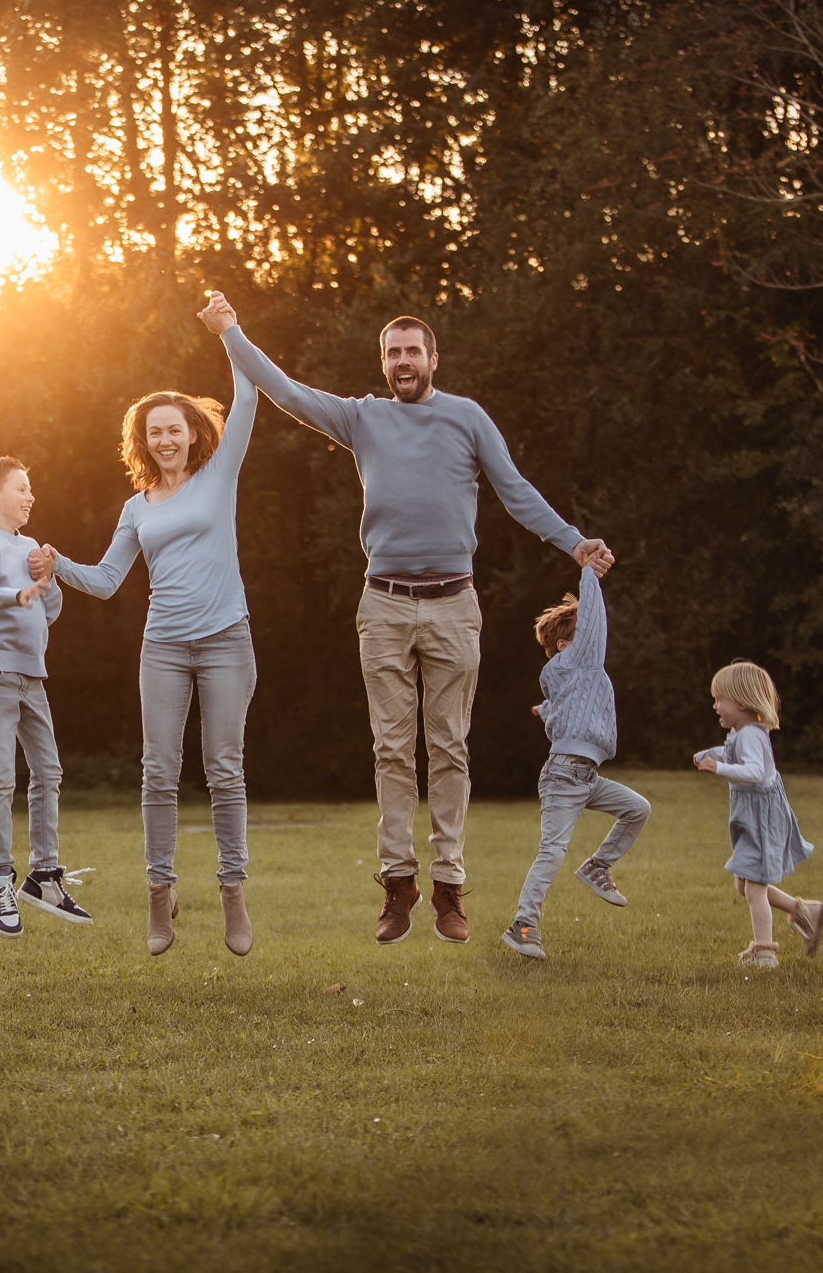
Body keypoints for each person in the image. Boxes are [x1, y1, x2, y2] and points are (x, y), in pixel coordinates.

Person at [197, 289, 614, 945]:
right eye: (392, 353)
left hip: (453, 606)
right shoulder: (362, 418)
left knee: (447, 747)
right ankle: (399, 885)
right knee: (392, 748)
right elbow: (284, 389)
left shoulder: (467, 417)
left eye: (412, 351)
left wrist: (574, 540)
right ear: (383, 363)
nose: (402, 361)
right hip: (384, 604)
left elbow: (515, 490)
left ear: (433, 358)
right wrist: (230, 332)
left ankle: (449, 887)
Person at [29, 347, 259, 958]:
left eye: (173, 429)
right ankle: (161, 893)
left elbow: (249, 396)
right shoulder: (137, 508)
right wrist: (58, 566)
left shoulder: (219, 475)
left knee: (224, 769)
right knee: (158, 772)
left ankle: (233, 892)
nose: (164, 440)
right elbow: (107, 580)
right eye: (153, 432)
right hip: (162, 646)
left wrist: (230, 333)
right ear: (144, 440)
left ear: (191, 434)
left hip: (225, 641)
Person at [0, 456, 92, 938]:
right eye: (22, 488)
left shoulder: (32, 546)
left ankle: (45, 877)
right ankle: (0, 880)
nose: (31, 496)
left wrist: (48, 578)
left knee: (48, 771)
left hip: (32, 677)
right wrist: (12, 594)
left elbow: (48, 611)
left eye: (31, 489)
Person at [500, 559, 652, 960]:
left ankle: (597, 867)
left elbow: (563, 711)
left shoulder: (568, 676)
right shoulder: (579, 663)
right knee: (552, 850)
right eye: (585, 636)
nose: (596, 639)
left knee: (638, 808)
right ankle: (523, 926)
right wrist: (589, 572)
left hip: (585, 777)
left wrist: (543, 711)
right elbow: (595, 622)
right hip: (565, 776)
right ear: (567, 645)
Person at [692, 660, 823, 969]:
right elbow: (733, 754)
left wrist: (720, 768)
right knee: (744, 885)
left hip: (762, 818)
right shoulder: (742, 732)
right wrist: (711, 755)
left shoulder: (753, 734)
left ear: (740, 701)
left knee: (754, 888)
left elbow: (754, 771)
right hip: (750, 815)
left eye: (719, 699)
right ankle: (804, 911)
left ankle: (765, 952)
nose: (715, 706)